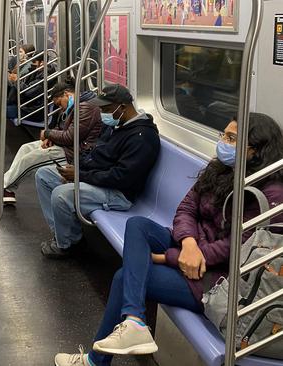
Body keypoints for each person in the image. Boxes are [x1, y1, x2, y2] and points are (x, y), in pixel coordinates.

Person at [53, 113, 283, 366]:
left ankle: (102, 355)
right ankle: (134, 323)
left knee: (123, 278)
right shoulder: (220, 170)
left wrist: (170, 257)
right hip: (191, 248)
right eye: (223, 135)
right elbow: (186, 209)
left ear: (255, 150)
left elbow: (240, 247)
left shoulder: (269, 195)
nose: (223, 142)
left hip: (216, 278)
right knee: (138, 225)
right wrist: (188, 244)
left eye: (231, 138)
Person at [35, 84, 161, 258]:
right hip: (99, 180)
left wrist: (80, 176)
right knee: (43, 175)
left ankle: (68, 245)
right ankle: (63, 233)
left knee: (61, 195)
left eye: (106, 109)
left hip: (119, 193)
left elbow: (121, 178)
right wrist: (78, 169)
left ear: (122, 107)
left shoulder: (143, 138)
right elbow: (98, 155)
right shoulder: (119, 126)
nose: (102, 114)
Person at [0, 79, 103, 205]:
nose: (61, 109)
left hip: (73, 152)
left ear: (66, 94)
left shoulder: (85, 108)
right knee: (25, 148)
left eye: (59, 104)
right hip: (65, 145)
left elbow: (70, 137)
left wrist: (48, 134)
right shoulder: (76, 106)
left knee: (29, 160)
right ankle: (7, 190)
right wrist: (51, 137)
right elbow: (62, 128)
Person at [0, 54, 57, 152]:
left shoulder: (44, 77)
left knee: (0, 110)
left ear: (41, 63)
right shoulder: (38, 72)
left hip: (33, 111)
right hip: (27, 105)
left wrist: (16, 81)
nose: (31, 65)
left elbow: (30, 92)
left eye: (34, 62)